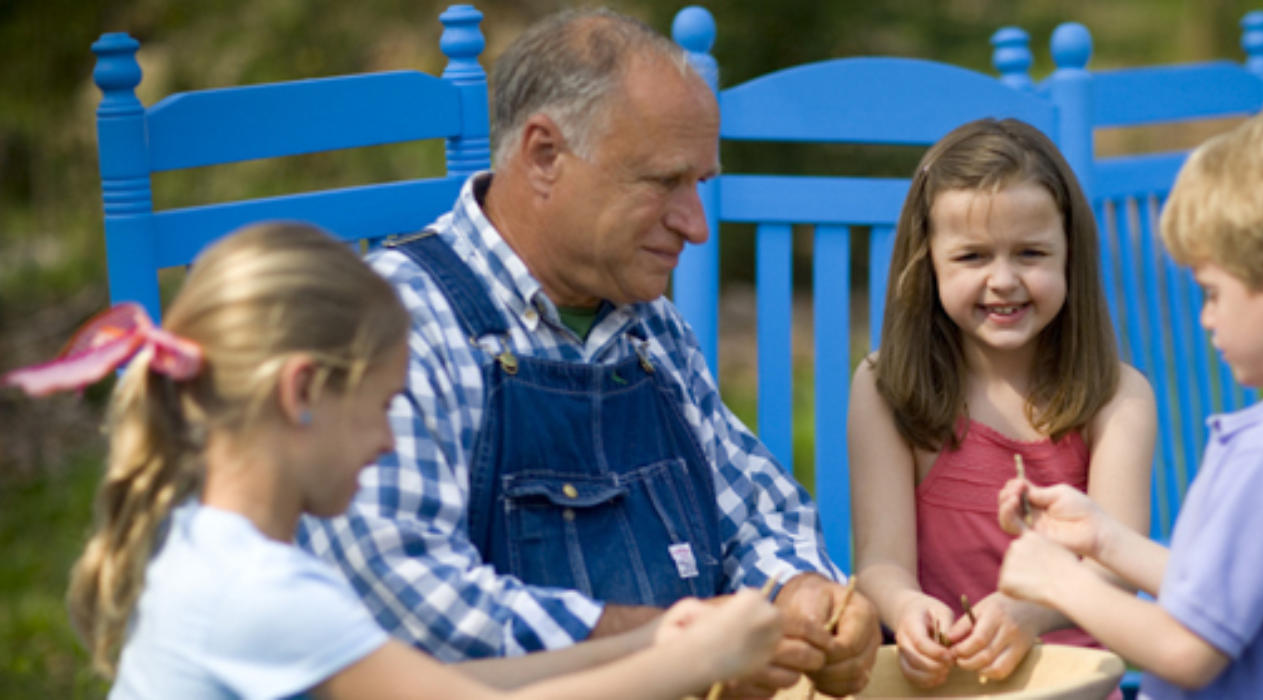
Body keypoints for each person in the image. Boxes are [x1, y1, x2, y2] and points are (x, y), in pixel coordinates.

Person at [296, 8, 878, 697]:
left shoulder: (647, 326)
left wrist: (805, 595)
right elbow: (403, 597)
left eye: (700, 184)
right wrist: (672, 644)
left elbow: (761, 516)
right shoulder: (396, 323)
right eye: (663, 182)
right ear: (544, 156)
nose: (695, 225)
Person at [4, 223, 782, 699]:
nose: (388, 441)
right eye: (380, 406)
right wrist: (696, 661)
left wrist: (654, 639)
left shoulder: (219, 546)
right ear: (302, 392)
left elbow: (442, 688)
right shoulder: (258, 591)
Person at [995, 99, 1263, 698]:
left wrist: (1059, 583)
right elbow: (1233, 594)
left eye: (1211, 292)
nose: (1205, 318)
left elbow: (1186, 649)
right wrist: (1104, 540)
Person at [847, 117, 1156, 689]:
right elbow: (881, 561)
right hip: (941, 687)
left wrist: (1030, 612)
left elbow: (1115, 571)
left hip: (1071, 686)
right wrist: (907, 610)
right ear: (929, 262)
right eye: (972, 257)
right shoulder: (885, 387)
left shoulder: (1117, 398)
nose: (1004, 280)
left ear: (1070, 257)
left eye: (1031, 253)